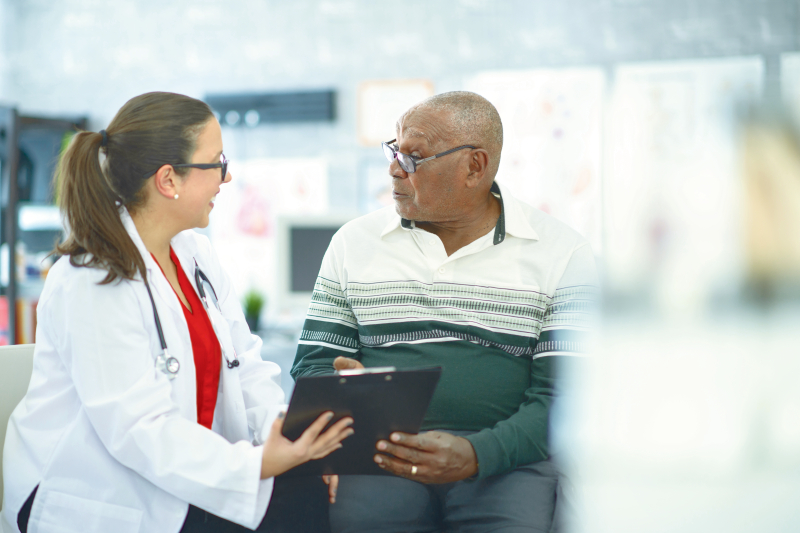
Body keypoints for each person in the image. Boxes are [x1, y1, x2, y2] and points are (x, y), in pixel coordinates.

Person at [1, 92, 353, 533]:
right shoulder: (91, 278)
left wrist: (289, 434)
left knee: (310, 488)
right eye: (217, 162)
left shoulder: (196, 255)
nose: (227, 177)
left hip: (183, 471)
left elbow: (246, 368)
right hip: (98, 493)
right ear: (169, 180)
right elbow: (137, 428)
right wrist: (255, 463)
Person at [291, 91, 598, 532]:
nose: (395, 169)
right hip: (383, 454)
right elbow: (313, 364)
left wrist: (477, 455)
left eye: (414, 157)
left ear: (474, 166)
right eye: (395, 150)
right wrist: (348, 397)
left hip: (504, 461)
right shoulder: (354, 243)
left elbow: (565, 399)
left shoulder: (562, 254)